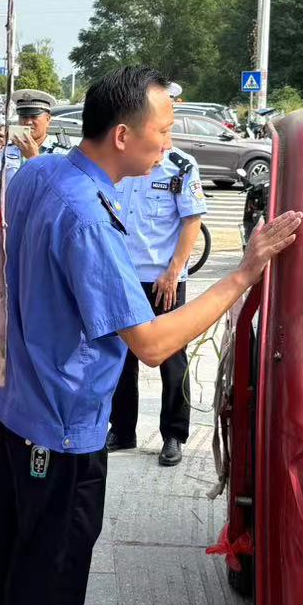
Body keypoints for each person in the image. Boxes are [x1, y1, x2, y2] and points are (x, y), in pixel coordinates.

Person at [0, 66, 303, 605]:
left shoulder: (40, 176)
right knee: (49, 588)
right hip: (62, 432)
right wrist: (244, 273)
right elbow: (151, 344)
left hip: (15, 415)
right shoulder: (83, 214)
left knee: (5, 570)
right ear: (124, 135)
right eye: (163, 132)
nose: (169, 146)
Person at [108, 145, 207, 466]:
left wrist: (174, 272)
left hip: (164, 280)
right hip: (123, 276)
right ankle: (122, 430)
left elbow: (192, 221)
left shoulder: (180, 166)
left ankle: (174, 434)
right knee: (120, 355)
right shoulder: (123, 160)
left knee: (171, 356)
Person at [0, 87, 64, 185]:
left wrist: (34, 159)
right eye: (23, 117)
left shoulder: (60, 154)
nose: (28, 122)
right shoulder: (8, 149)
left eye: (34, 117)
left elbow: (59, 190)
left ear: (48, 119)